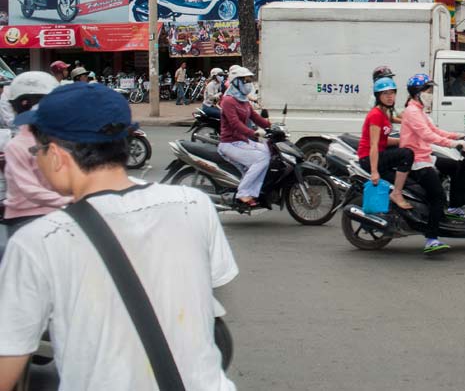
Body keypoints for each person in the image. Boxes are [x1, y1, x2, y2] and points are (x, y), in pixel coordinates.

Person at [0, 82, 238, 390]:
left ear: (57, 156)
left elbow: (8, 367)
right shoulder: (193, 205)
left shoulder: (39, 241)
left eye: (38, 150)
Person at [400, 74, 465, 254]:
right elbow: (428, 136)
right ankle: (431, 239)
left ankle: (454, 207)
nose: (431, 94)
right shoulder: (412, 112)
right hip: (416, 161)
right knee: (437, 197)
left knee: (457, 166)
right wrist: (453, 143)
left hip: (425, 156)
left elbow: (435, 130)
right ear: (417, 93)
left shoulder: (419, 110)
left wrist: (458, 135)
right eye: (428, 91)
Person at [1, 71, 70, 231]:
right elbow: (29, 189)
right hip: (25, 218)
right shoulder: (16, 146)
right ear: (26, 104)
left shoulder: (56, 139)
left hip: (57, 213)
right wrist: (71, 199)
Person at [217, 65, 271, 207]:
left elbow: (254, 117)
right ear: (236, 82)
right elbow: (235, 124)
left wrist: (271, 126)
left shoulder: (243, 100)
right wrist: (253, 133)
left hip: (242, 141)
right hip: (229, 143)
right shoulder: (228, 101)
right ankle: (243, 193)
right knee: (261, 158)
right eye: (245, 80)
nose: (248, 83)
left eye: (248, 80)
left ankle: (255, 191)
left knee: (269, 151)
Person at [359, 77, 414, 211]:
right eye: (385, 93)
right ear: (378, 96)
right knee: (407, 154)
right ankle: (396, 193)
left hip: (380, 153)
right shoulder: (376, 115)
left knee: (408, 178)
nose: (390, 97)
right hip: (369, 157)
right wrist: (374, 172)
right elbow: (374, 144)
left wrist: (406, 137)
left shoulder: (384, 113)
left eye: (392, 93)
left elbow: (385, 138)